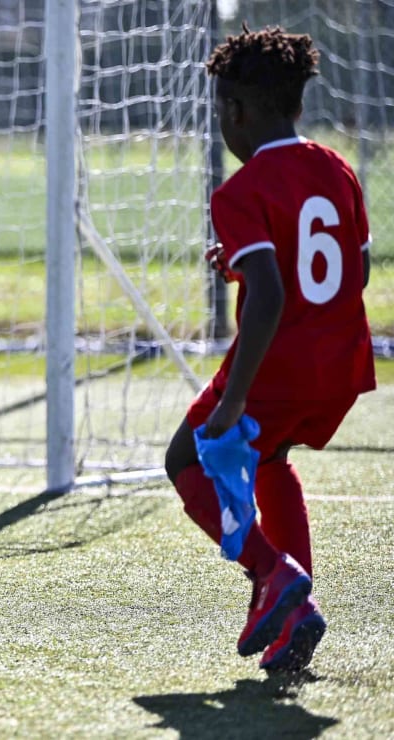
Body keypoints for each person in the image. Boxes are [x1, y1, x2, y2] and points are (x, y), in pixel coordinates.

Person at [164, 25, 375, 673]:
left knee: (186, 459)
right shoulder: (336, 169)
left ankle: (272, 576)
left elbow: (270, 297)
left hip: (277, 368)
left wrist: (230, 401)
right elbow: (354, 271)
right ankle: (295, 617)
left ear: (234, 111)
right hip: (340, 368)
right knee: (272, 458)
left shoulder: (239, 191)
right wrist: (249, 268)